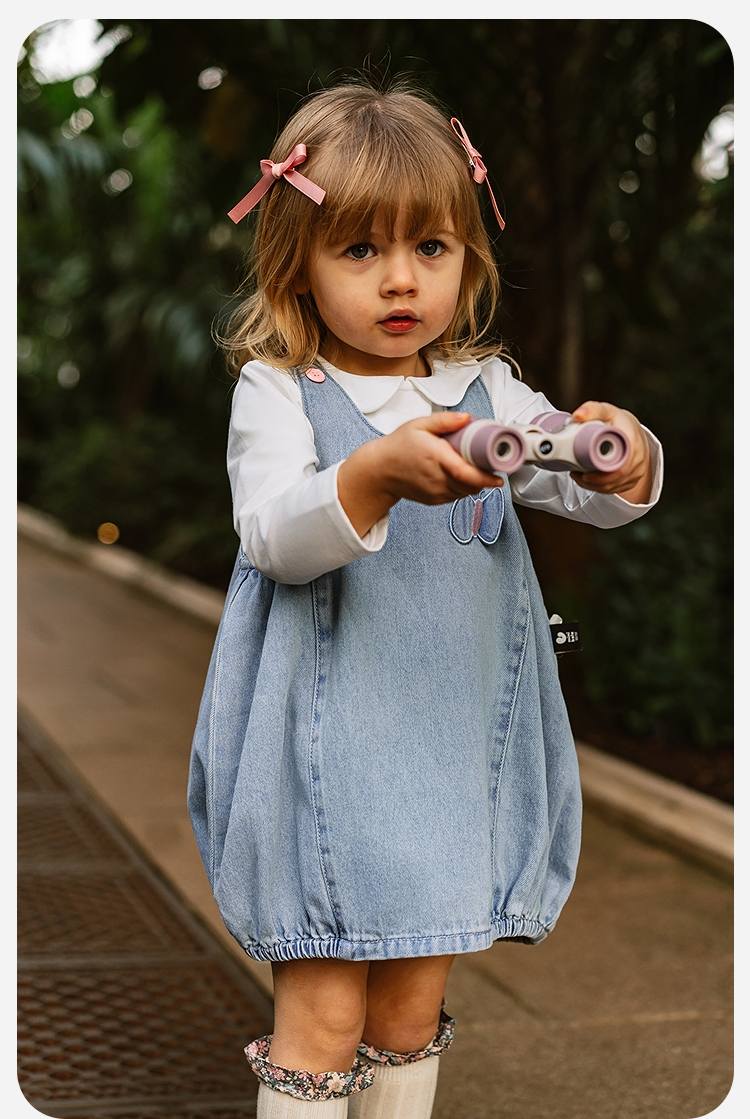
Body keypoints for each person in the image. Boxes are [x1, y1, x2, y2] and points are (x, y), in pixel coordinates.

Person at [188, 79, 662, 1119]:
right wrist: (371, 476)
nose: (401, 279)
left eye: (432, 247)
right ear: (299, 263)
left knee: (409, 1008)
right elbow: (271, 534)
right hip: (323, 765)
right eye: (360, 249)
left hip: (445, 761)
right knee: (324, 1013)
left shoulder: (489, 389)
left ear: (469, 258)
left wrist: (623, 457)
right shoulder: (282, 390)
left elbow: (580, 485)